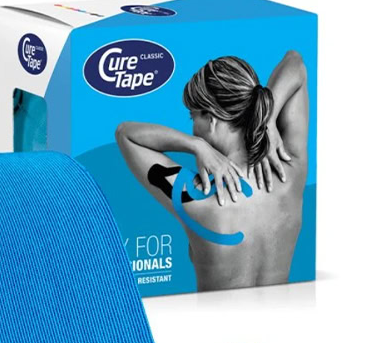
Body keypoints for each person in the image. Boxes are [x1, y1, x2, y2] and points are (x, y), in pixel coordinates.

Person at [116, 51, 309, 291]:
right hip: (284, 315)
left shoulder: (197, 197)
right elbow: (295, 62)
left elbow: (125, 134)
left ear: (211, 118)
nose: (193, 128)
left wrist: (195, 145)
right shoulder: (289, 169)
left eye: (193, 117)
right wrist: (268, 120)